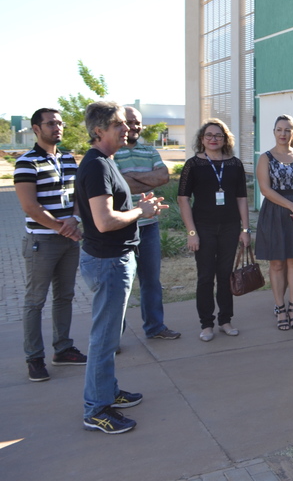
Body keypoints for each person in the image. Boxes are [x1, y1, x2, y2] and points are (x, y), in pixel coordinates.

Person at [76, 100, 167, 434]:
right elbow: (104, 220)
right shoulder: (97, 166)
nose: (126, 129)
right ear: (99, 131)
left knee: (109, 333)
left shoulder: (104, 162)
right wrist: (140, 213)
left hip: (113, 260)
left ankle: (107, 391)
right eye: (118, 125)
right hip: (108, 262)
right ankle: (96, 409)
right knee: (104, 338)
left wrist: (140, 206)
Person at [14, 108, 86, 383]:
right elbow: (30, 207)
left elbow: (79, 194)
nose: (57, 127)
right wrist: (63, 228)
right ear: (36, 129)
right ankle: (34, 358)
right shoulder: (27, 162)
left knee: (65, 296)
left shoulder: (68, 158)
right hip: (42, 242)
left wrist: (76, 219)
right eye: (50, 123)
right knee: (35, 300)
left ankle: (63, 349)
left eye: (59, 123)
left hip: (68, 240)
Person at [177, 119, 250, 341]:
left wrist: (245, 229)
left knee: (226, 275)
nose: (213, 139)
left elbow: (242, 198)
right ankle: (206, 324)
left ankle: (225, 320)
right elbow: (182, 199)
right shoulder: (193, 164)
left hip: (230, 227)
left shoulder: (235, 164)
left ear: (225, 138)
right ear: (202, 139)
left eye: (218, 135)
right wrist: (192, 233)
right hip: (203, 228)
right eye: (209, 135)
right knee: (206, 276)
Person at [113, 106, 180, 340]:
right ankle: (114, 337)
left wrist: (128, 178)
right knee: (120, 285)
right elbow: (117, 185)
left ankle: (155, 327)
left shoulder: (149, 150)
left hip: (149, 225)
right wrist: (143, 181)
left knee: (151, 281)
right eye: (130, 122)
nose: (134, 127)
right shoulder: (112, 152)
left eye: (138, 122)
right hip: (121, 226)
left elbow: (162, 178)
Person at [255, 115, 293, 331]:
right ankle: (280, 308)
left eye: (287, 130)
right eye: (279, 129)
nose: (283, 134)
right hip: (276, 211)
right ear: (274, 132)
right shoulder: (265, 158)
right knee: (277, 263)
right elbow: (265, 190)